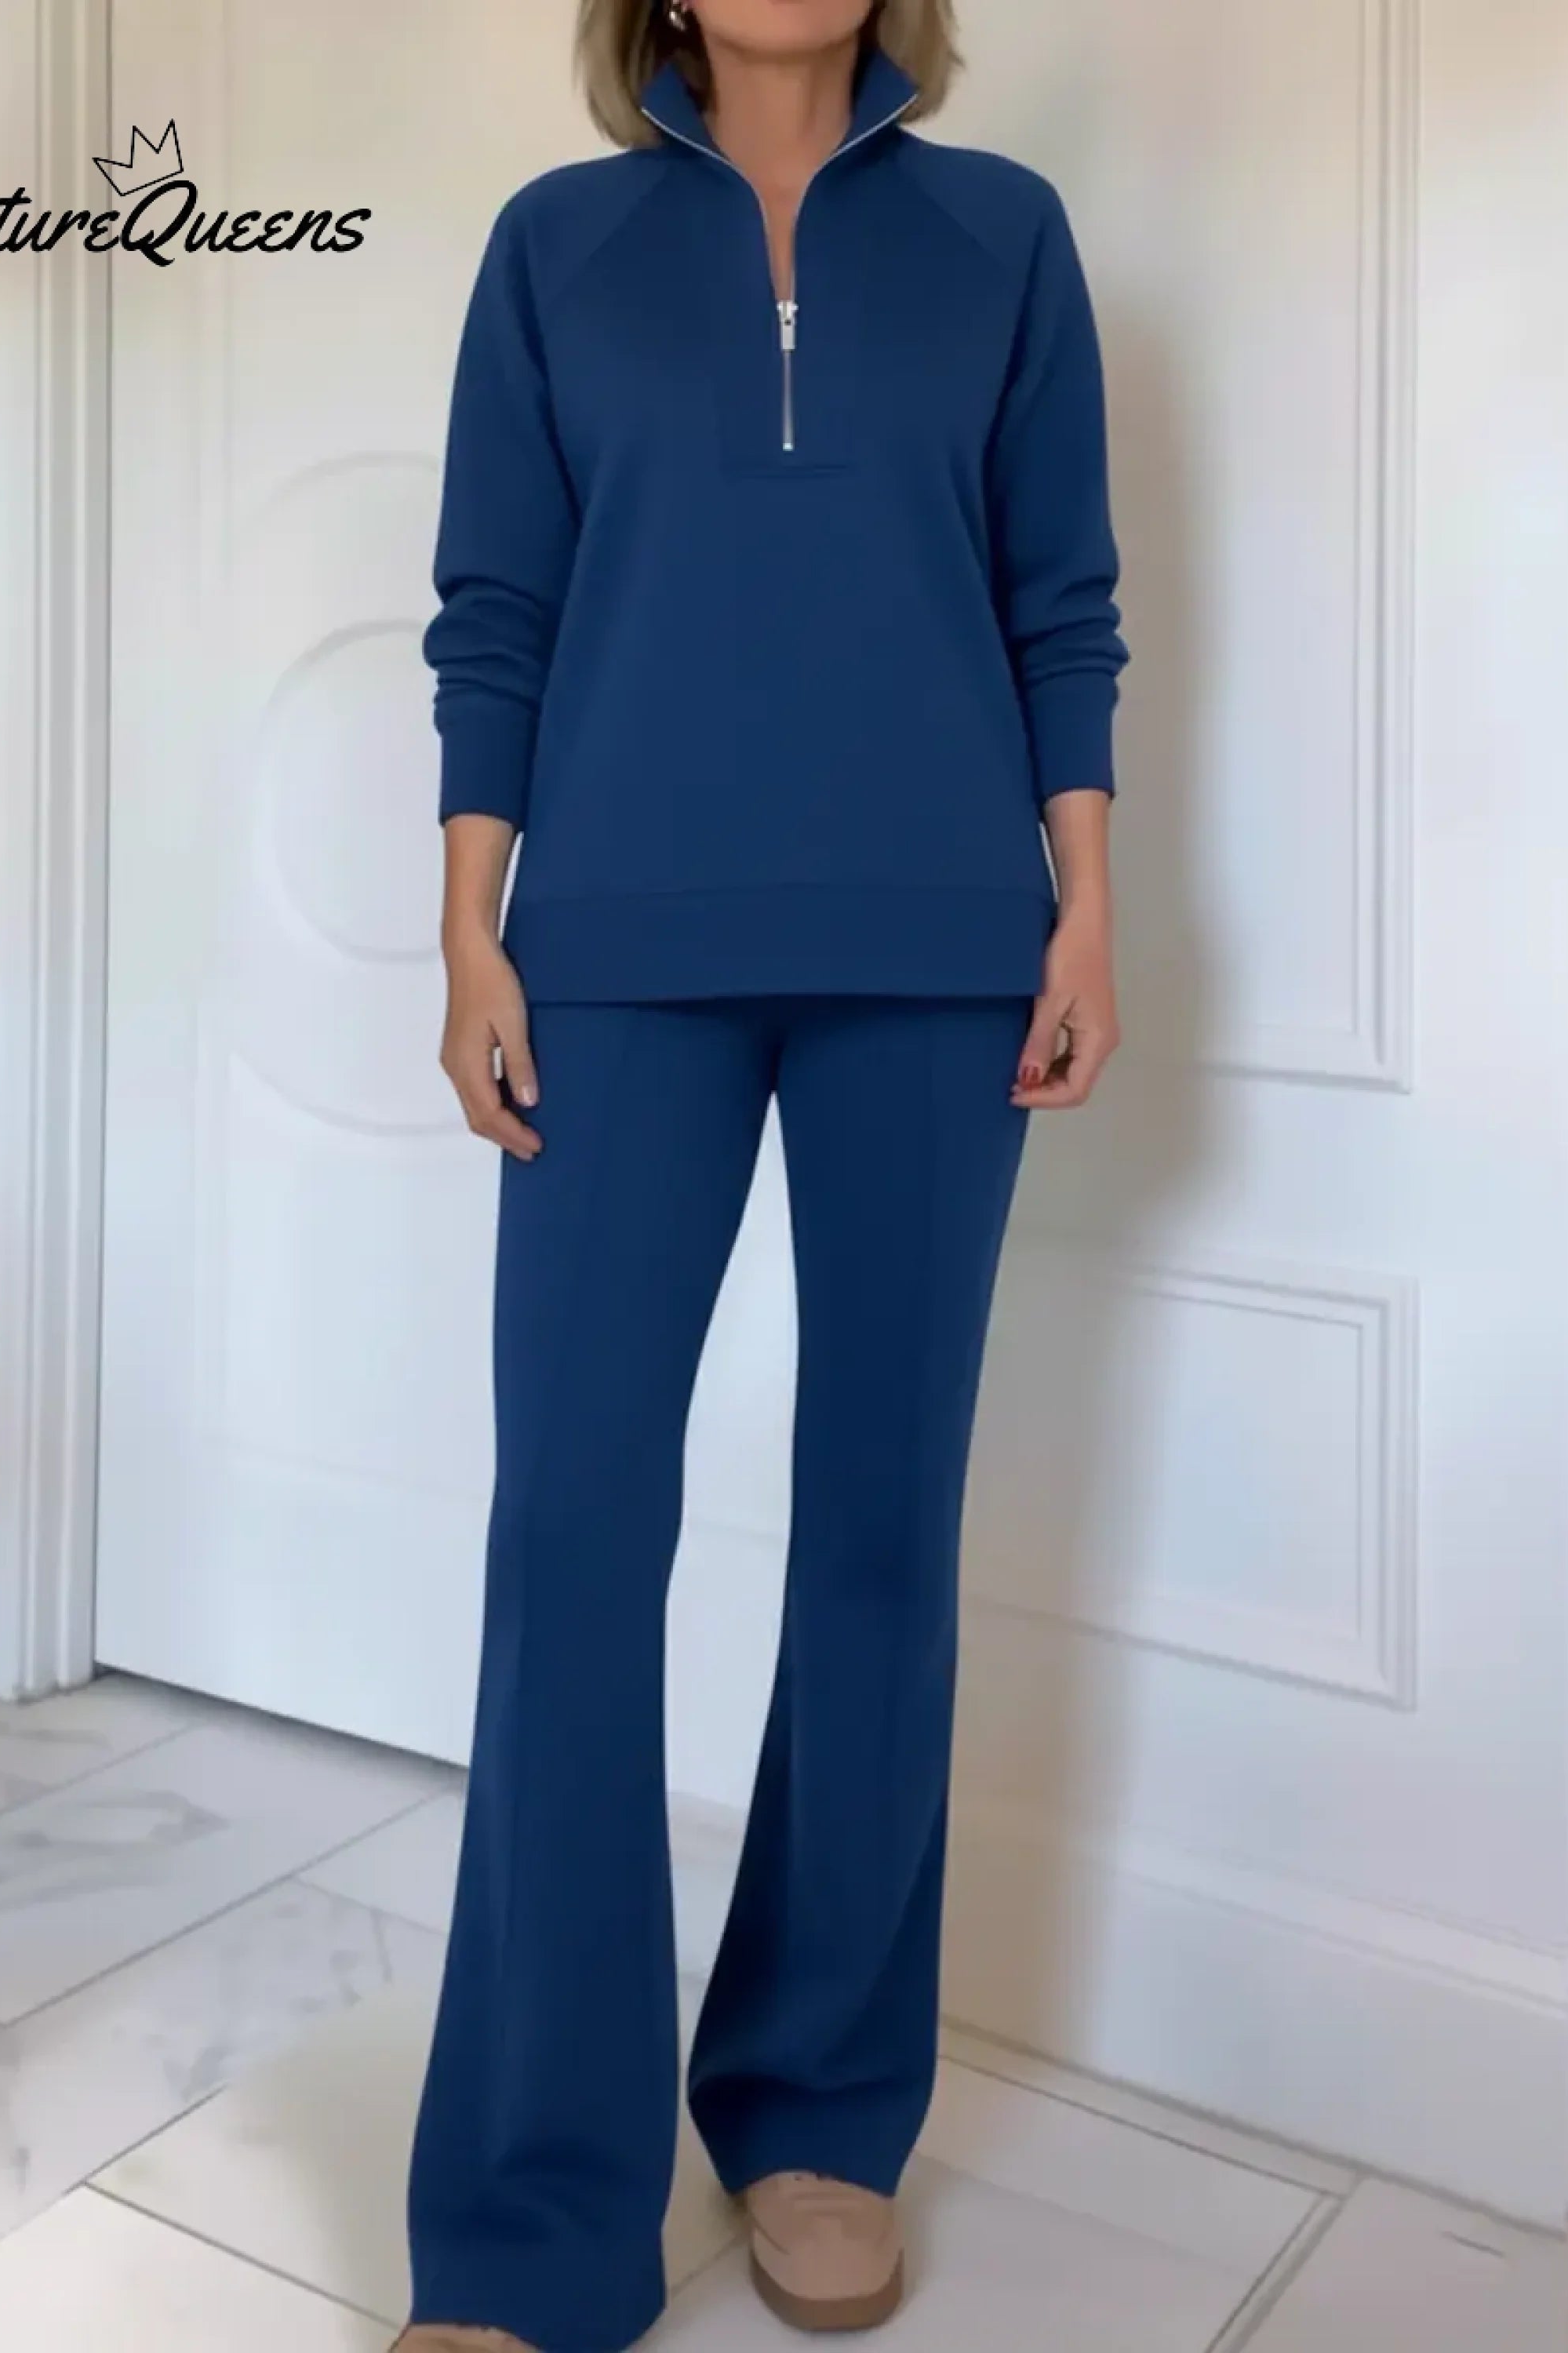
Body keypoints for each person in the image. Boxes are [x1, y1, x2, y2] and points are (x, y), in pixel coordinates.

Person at [397, 2, 1126, 2346]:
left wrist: (1085, 907)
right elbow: (498, 611)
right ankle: (532, 2214)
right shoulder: (558, 246)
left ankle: (816, 2107)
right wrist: (471, 931)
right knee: (572, 1532)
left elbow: (1060, 600)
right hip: (614, 953)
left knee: (882, 1529)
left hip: (941, 950)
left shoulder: (1004, 238)